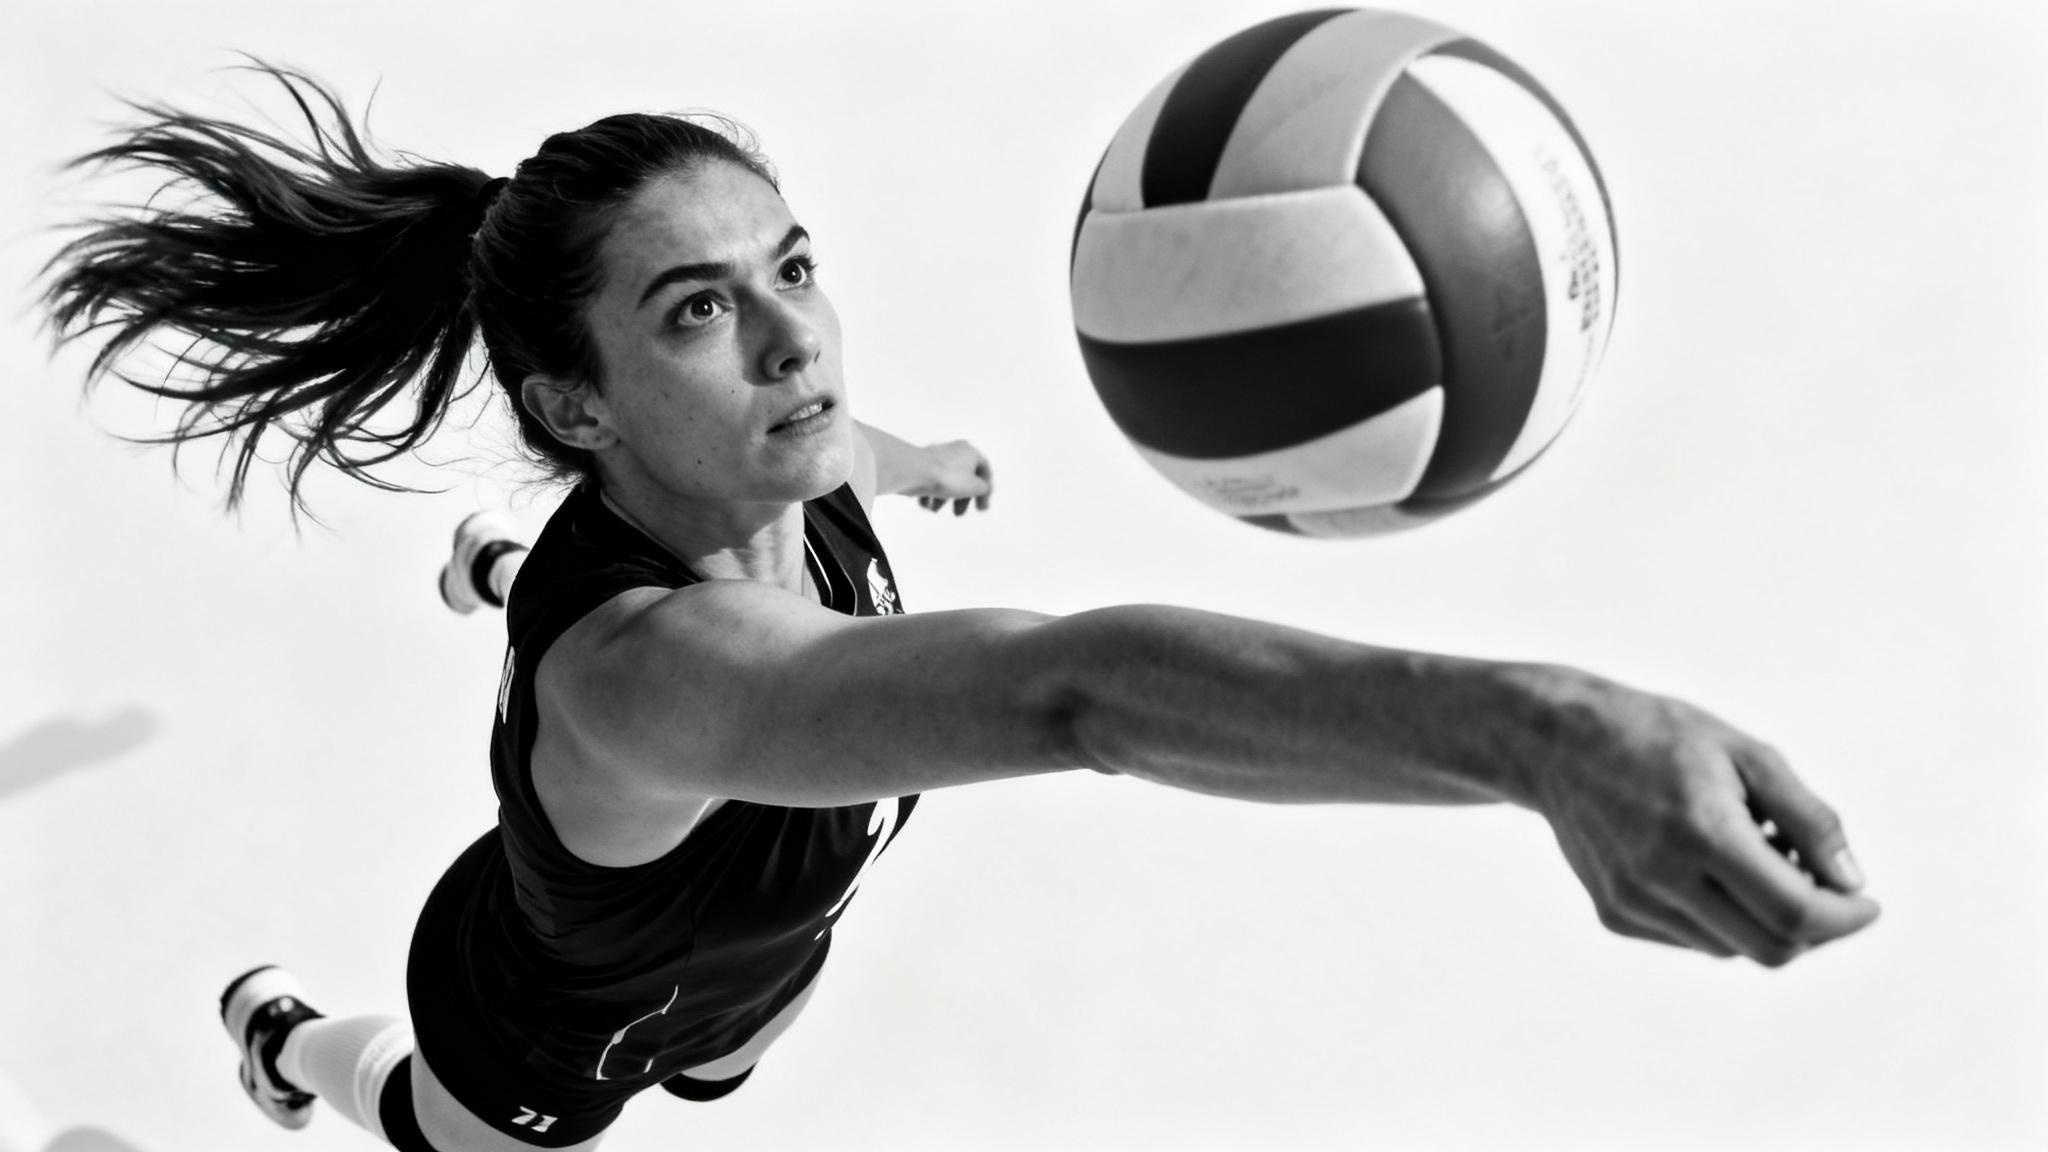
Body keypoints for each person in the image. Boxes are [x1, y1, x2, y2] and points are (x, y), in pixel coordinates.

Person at [43, 66, 1878, 1152]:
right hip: (534, 1017)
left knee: (724, 1058)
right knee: (455, 1139)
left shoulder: (787, 445)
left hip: (756, 958)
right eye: (696, 312)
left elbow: (847, 435)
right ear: (573, 408)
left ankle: (500, 576)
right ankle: (289, 1044)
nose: (794, 343)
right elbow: (1070, 695)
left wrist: (922, 463)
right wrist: (1548, 738)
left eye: (795, 269)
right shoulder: (665, 672)